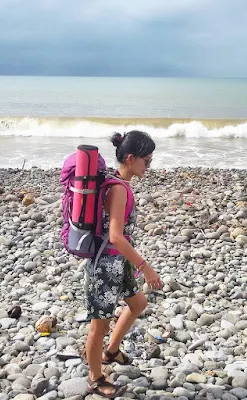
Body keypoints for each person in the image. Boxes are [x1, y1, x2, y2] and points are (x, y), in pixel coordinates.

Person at [85, 130, 163, 398]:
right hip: (106, 265)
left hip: (120, 262)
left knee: (138, 304)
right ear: (131, 158)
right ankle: (95, 379)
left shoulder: (119, 183)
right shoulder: (118, 189)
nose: (149, 166)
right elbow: (116, 237)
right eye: (147, 160)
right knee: (99, 325)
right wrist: (146, 267)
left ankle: (111, 352)